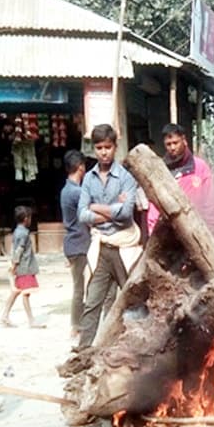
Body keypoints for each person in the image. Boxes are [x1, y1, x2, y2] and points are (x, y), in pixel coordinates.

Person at [76, 124, 139, 349]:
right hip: (101, 247)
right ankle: (83, 353)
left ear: (115, 147)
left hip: (125, 247)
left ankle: (141, 350)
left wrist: (96, 207)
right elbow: (81, 214)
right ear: (94, 149)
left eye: (108, 147)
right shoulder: (89, 178)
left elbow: (126, 214)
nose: (104, 152)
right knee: (92, 302)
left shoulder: (126, 178)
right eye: (99, 147)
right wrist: (111, 209)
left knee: (135, 300)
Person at [148, 124, 214, 234]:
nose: (172, 148)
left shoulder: (200, 167)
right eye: (168, 144)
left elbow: (210, 204)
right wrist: (153, 231)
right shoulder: (160, 170)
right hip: (168, 235)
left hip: (197, 233)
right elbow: (154, 206)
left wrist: (211, 232)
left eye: (175, 143)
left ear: (184, 140)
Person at [60, 150, 91, 338]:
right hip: (79, 243)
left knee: (81, 284)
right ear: (80, 167)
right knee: (80, 286)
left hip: (73, 243)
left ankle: (79, 322)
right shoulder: (76, 192)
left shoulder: (66, 190)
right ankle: (76, 325)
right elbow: (88, 213)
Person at [0, 206, 44, 328]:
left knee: (16, 291)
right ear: (26, 219)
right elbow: (19, 251)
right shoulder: (23, 233)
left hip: (21, 265)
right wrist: (14, 265)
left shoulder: (17, 231)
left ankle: (4, 315)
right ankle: (31, 320)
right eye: (30, 218)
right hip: (24, 266)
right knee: (25, 293)